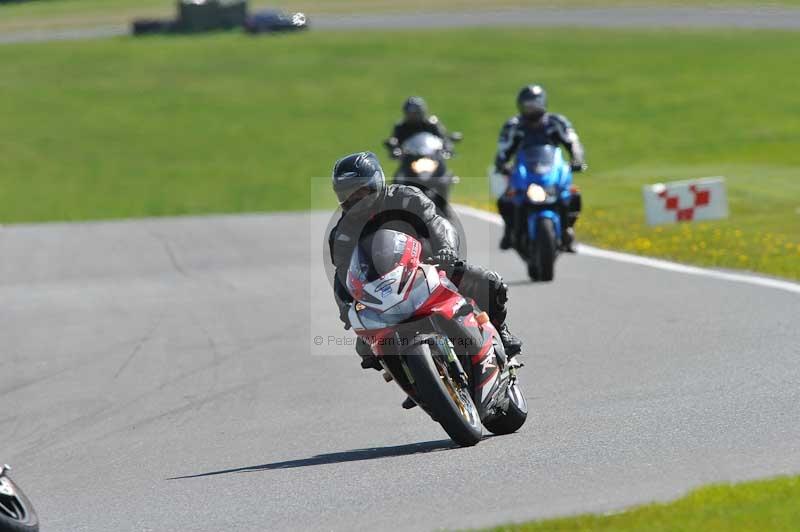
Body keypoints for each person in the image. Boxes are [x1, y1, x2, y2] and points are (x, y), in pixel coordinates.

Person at [328, 152, 522, 388]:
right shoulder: (343, 233)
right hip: (382, 292)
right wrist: (346, 308)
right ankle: (414, 383)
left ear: (376, 183)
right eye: (346, 194)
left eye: (359, 191)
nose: (354, 199)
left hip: (430, 267)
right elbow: (343, 274)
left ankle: (501, 332)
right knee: (366, 347)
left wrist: (447, 252)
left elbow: (437, 223)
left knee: (489, 282)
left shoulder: (405, 197)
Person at [494, 84, 587, 251]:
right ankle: (509, 232)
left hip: (551, 171)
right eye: (528, 104)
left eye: (535, 103)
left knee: (573, 195)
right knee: (505, 200)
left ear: (543, 102)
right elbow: (503, 149)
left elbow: (573, 142)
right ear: (521, 105)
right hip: (526, 173)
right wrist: (502, 164)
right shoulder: (514, 126)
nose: (532, 108)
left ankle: (568, 229)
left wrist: (577, 159)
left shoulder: (556, 122)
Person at [384, 96, 453, 160]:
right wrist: (395, 150)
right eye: (410, 113)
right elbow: (395, 141)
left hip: (432, 158)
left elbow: (443, 138)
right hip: (409, 161)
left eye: (416, 113)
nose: (413, 116)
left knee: (447, 173)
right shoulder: (401, 127)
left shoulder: (432, 125)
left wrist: (447, 149)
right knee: (399, 173)